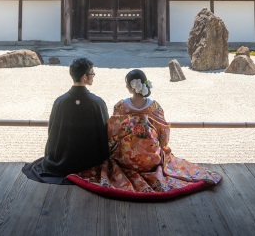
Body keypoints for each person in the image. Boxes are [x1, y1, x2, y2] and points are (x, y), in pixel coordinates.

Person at [67, 69, 222, 199]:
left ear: (129, 86)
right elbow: (163, 132)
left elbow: (112, 133)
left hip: (126, 159)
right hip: (151, 160)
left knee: (121, 148)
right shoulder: (154, 107)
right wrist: (161, 147)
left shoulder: (121, 106)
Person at [22, 57, 109, 184]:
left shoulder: (60, 102)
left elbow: (52, 133)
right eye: (92, 74)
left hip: (61, 161)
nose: (93, 76)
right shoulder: (97, 103)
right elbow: (104, 134)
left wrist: (50, 155)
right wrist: (104, 159)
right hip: (90, 161)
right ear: (85, 77)